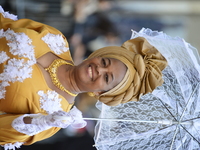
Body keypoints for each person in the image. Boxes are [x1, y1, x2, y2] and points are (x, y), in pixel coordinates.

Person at [0, 6, 168, 150]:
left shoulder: (53, 117)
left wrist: (37, 122)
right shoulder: (57, 39)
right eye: (104, 61)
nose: (99, 69)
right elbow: (5, 24)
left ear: (101, 92)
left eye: (107, 77)